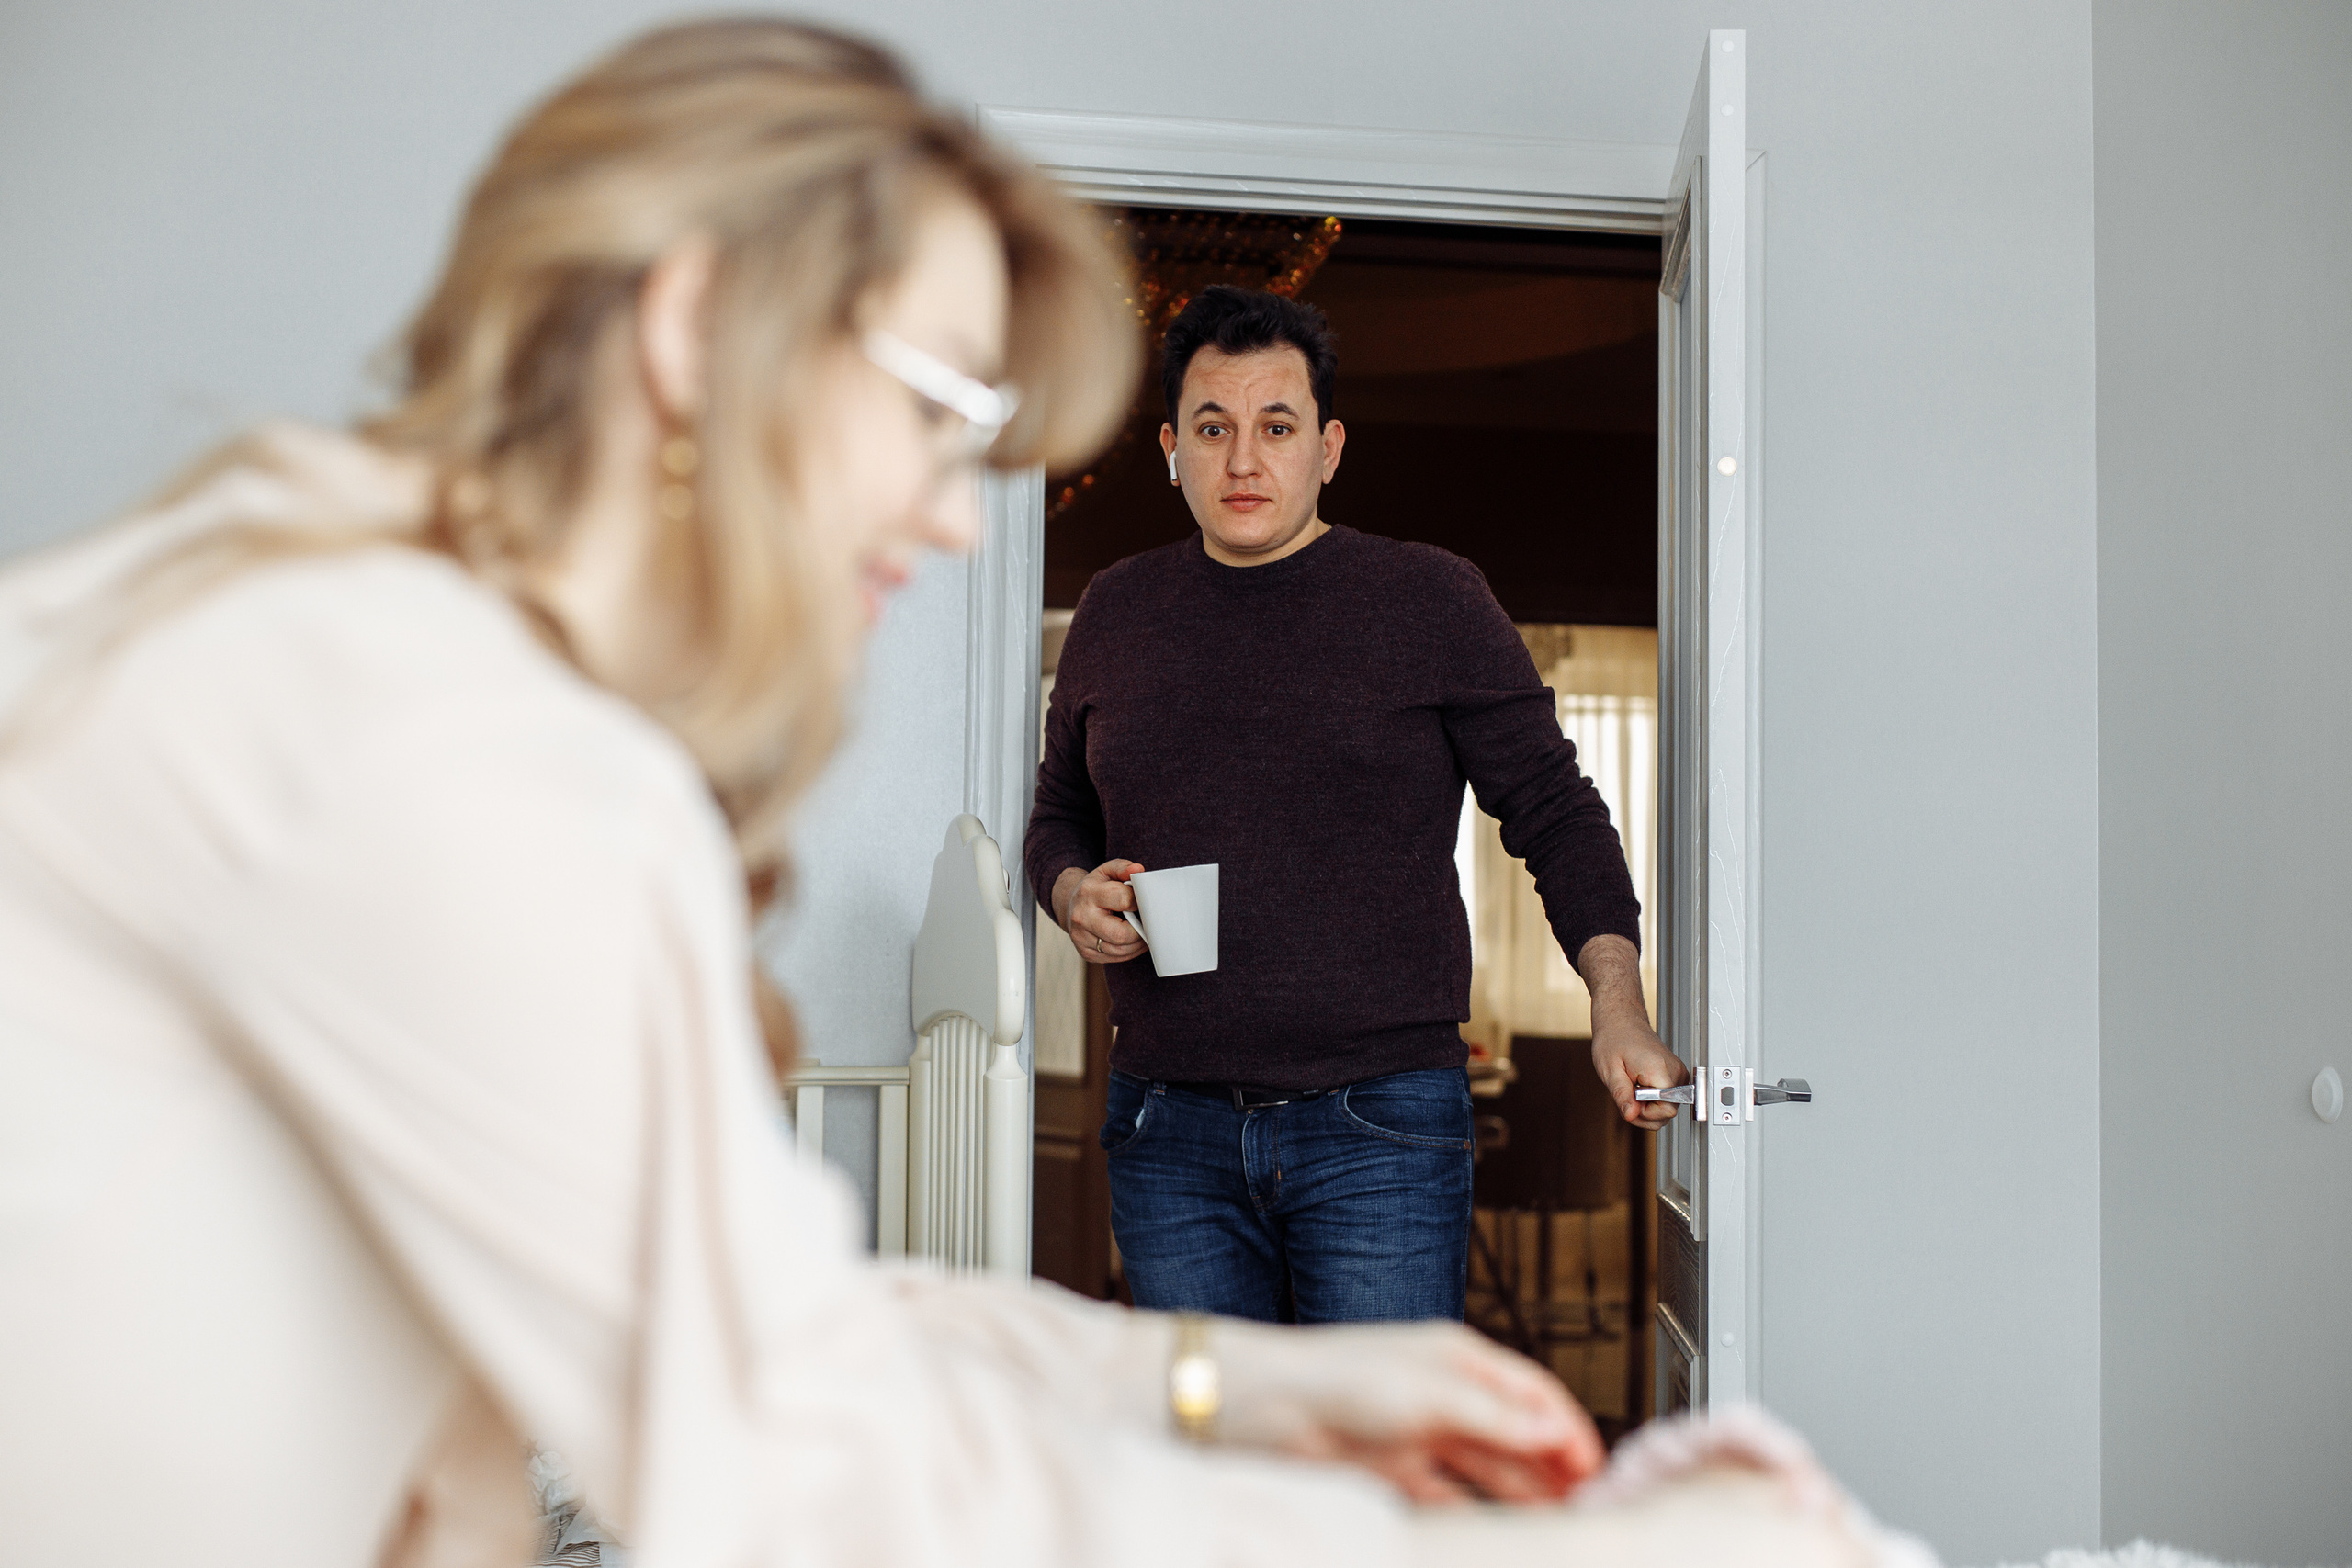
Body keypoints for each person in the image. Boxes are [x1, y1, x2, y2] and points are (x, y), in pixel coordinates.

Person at [0, 18, 1922, 1568]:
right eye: (931, 410)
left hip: (1371, 1111)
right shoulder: (408, 739)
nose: (946, 509)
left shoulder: (348, 625)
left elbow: (774, 1333)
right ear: (688, 332)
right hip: (1176, 1107)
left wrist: (1229, 1395)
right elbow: (780, 1454)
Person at [1025, 286, 1691, 1325]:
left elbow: (1557, 812)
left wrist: (1616, 1005)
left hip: (1378, 1124)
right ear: (1170, 447)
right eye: (1213, 428)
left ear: (1327, 448)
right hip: (1167, 1126)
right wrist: (1069, 888)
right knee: (1214, 1466)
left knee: (1374, 1467)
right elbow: (1056, 810)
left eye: (1276, 426)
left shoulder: (1429, 600)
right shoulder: (1117, 608)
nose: (1244, 460)